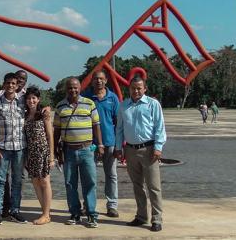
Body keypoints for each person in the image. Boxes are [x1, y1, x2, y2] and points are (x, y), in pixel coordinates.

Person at [114, 76, 167, 232]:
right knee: (137, 186)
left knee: (154, 186)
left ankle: (157, 219)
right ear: (129, 89)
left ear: (145, 89)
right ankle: (141, 216)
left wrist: (158, 147)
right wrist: (119, 148)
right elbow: (119, 129)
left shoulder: (152, 104)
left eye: (139, 88)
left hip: (149, 150)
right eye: (133, 88)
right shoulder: (124, 106)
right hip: (130, 150)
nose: (136, 91)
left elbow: (159, 126)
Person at [53, 77, 103, 228]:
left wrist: (100, 144)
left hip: (87, 150)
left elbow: (96, 126)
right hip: (68, 151)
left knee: (90, 183)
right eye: (69, 88)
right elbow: (57, 130)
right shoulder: (60, 106)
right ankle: (75, 213)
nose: (72, 90)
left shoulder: (89, 104)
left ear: (80, 88)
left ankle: (92, 214)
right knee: (70, 184)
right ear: (65, 89)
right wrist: (56, 150)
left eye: (75, 87)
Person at [82, 70, 121, 218]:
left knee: (111, 175)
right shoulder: (86, 97)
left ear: (106, 81)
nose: (98, 81)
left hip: (109, 143)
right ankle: (88, 205)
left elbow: (118, 122)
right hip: (90, 143)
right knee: (88, 176)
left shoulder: (113, 98)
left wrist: (119, 144)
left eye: (101, 79)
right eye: (96, 79)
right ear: (92, 81)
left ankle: (112, 205)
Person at [0, 72, 26, 224]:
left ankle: (15, 211)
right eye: (8, 83)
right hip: (3, 147)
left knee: (17, 180)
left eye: (14, 83)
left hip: (20, 147)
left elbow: (36, 108)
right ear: (4, 84)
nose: (11, 86)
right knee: (0, 180)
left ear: (17, 85)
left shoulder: (23, 101)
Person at [23, 85, 55, 225]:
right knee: (35, 182)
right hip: (31, 152)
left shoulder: (44, 114)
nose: (31, 101)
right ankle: (45, 212)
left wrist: (52, 156)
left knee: (44, 181)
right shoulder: (25, 115)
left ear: (38, 99)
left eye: (33, 98)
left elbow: (50, 136)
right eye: (29, 98)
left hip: (43, 151)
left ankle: (46, 214)